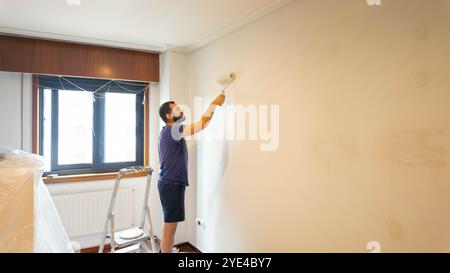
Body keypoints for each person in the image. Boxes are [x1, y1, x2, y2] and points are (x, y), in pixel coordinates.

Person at [157, 92, 226, 253]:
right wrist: (214, 103)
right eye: (177, 109)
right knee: (170, 228)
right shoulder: (174, 130)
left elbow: (161, 160)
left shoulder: (165, 132)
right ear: (169, 115)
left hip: (168, 184)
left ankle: (164, 251)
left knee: (169, 224)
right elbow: (202, 124)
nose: (181, 111)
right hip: (171, 185)